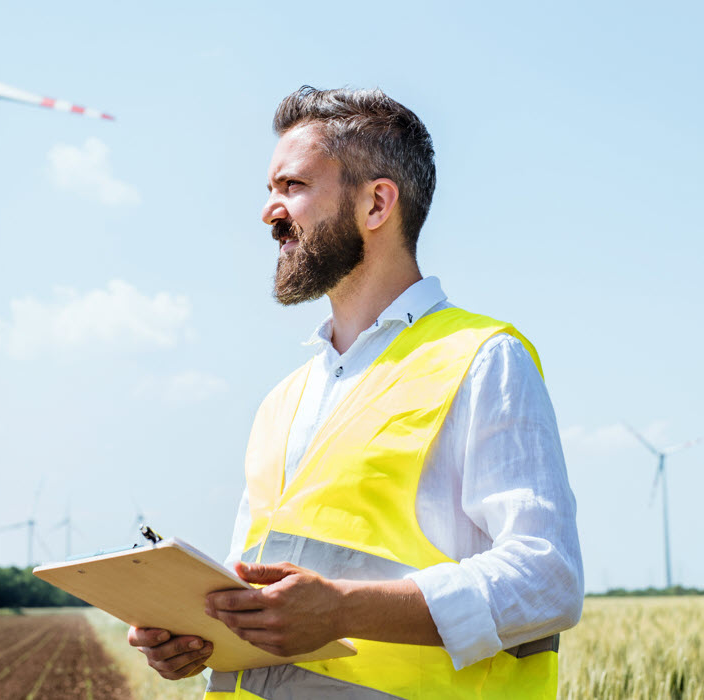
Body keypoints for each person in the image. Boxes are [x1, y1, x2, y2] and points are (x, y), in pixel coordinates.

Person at [128, 86, 582, 699]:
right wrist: (200, 633)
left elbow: (548, 577)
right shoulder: (282, 401)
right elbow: (267, 601)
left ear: (376, 203)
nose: (268, 211)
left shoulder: (482, 359)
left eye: (292, 186)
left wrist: (343, 610)